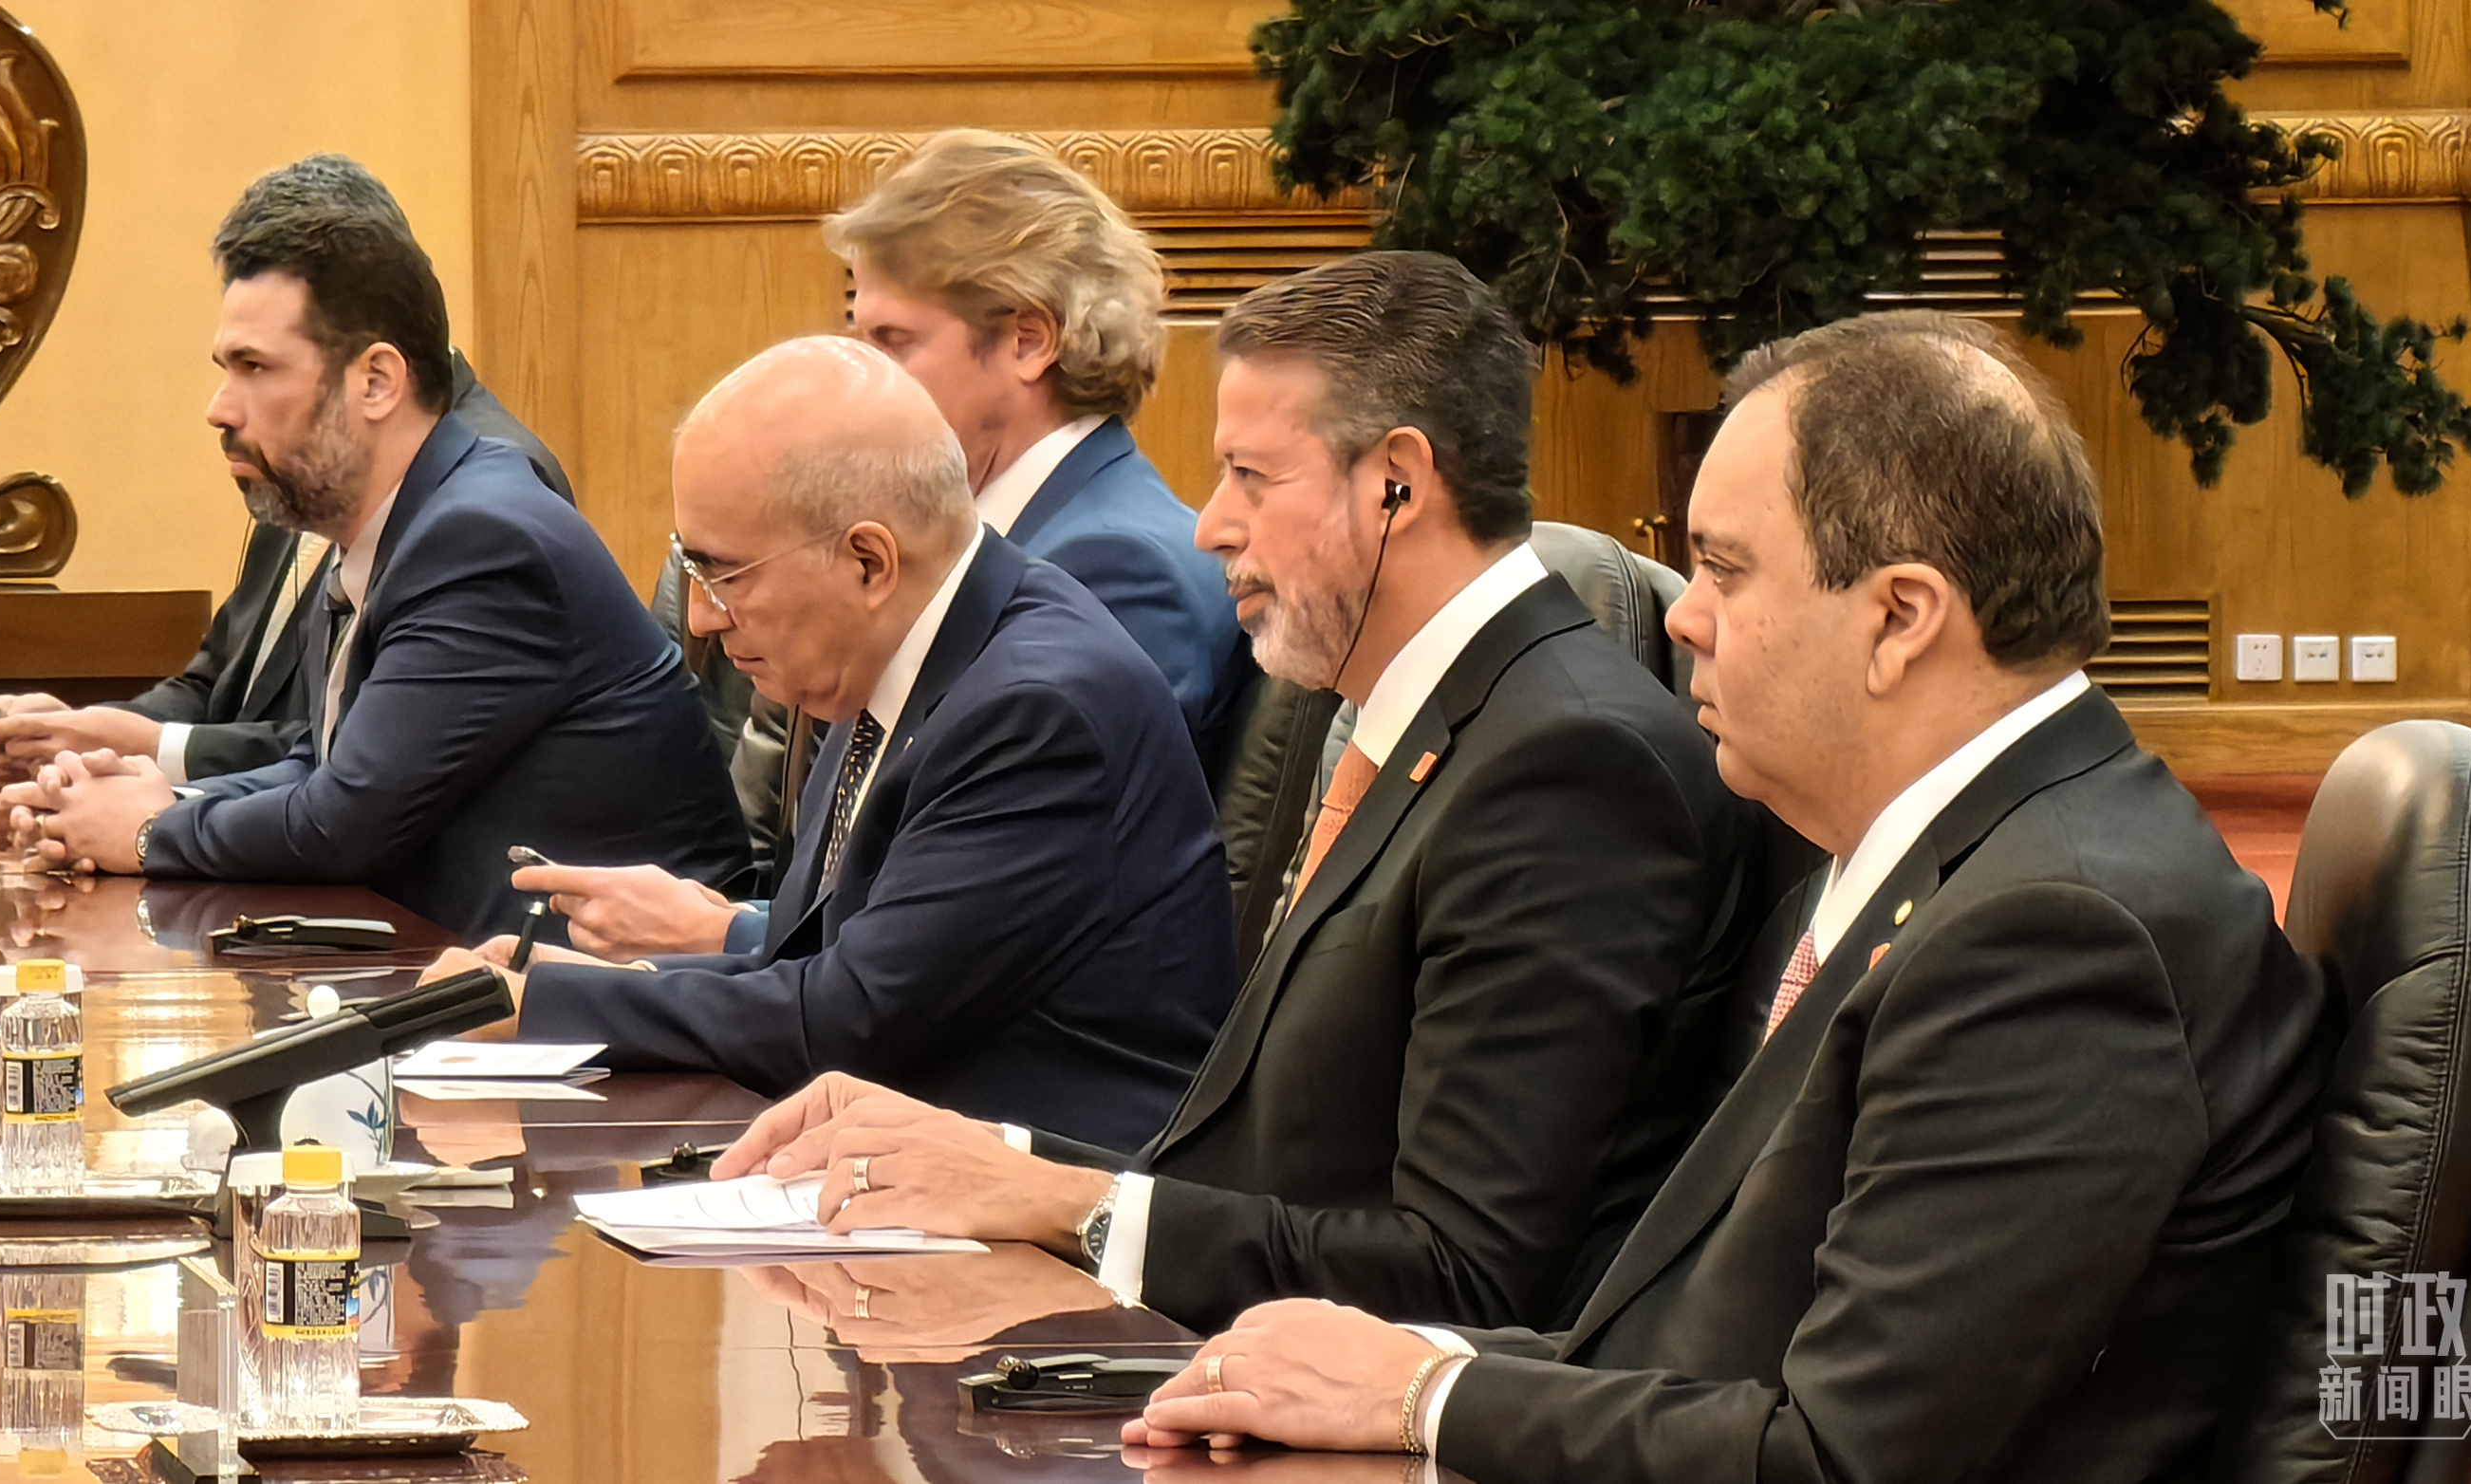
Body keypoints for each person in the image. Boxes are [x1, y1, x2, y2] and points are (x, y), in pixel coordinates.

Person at [1102, 311, 2332, 1483]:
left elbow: (1841, 1458)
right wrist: (1390, 1361)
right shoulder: (1951, 866)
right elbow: (1713, 1352)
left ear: (1899, 617)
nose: (1682, 615)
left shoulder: (2059, 934)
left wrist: (1423, 1395)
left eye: (1723, 570)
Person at [704, 252, 1765, 1336]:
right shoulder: (1420, 723)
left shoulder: (1568, 767)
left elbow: (1463, 1273)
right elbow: (1280, 1165)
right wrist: (983, 1155)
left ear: (1395, 481)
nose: (1211, 525)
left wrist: (1066, 1204)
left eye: (1252, 477)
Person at [416, 337, 1238, 1152]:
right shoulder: (893, 654)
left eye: (723, 574)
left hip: (1044, 1202)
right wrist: (594, 980)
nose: (700, 618)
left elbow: (849, 1019)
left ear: (868, 562)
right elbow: (814, 959)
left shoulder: (1035, 710)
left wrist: (537, 1007)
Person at [518, 128, 1251, 961]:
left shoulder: (1113, 565)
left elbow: (981, 919)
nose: (860, 369)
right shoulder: (963, 542)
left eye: (894, 342)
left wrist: (718, 934)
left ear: (1027, 340)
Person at [0, 158, 748, 941]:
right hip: (463, 966)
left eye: (255, 368)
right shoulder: (394, 524)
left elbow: (341, 821)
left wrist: (149, 831)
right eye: (226, 369)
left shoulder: (483, 537)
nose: (220, 409)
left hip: (625, 983)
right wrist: (127, 802)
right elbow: (317, 766)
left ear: (378, 382)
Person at [0, 159, 573, 784]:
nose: (219, 410)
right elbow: (220, 684)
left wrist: (155, 791)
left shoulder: (491, 498)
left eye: (256, 366)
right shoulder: (305, 460)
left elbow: (365, 760)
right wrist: (83, 735)